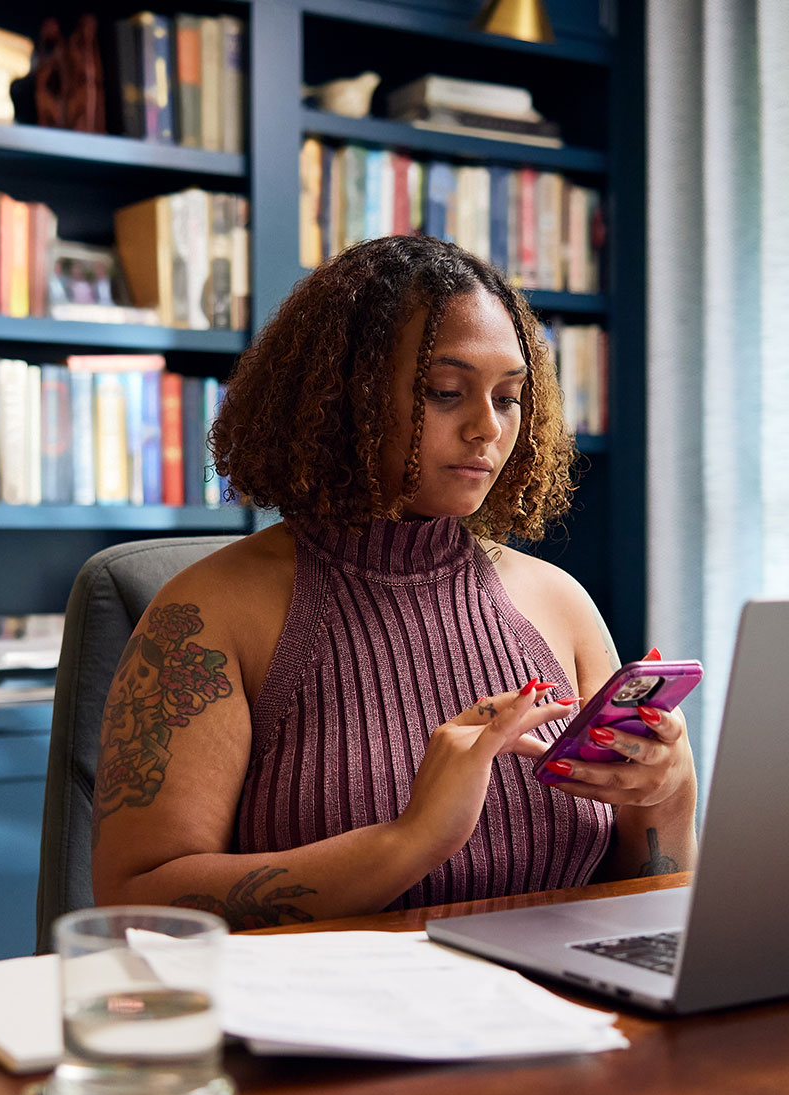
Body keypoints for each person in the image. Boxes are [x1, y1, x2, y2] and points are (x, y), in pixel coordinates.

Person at [90, 236, 696, 929]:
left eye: (509, 398)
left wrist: (669, 794)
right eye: (445, 393)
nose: (487, 429)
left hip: (557, 1015)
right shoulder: (209, 612)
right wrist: (409, 842)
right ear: (342, 397)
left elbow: (648, 909)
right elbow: (133, 903)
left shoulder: (559, 604)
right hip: (331, 1026)